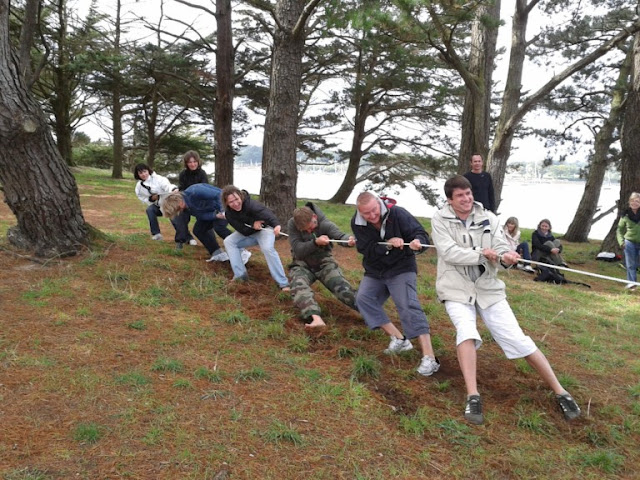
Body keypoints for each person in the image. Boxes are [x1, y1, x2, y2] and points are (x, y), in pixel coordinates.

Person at [431, 175, 580, 425]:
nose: (466, 199)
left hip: (488, 288)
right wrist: (482, 254)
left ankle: (561, 392)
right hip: (455, 288)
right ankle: (473, 395)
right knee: (466, 333)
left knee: (517, 338)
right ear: (449, 200)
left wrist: (506, 257)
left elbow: (500, 248)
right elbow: (448, 252)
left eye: (468, 193)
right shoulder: (439, 219)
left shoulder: (488, 217)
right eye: (460, 195)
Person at [351, 192, 440, 377]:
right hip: (375, 270)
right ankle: (400, 340)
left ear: (379, 203)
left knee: (408, 305)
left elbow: (421, 234)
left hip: (401, 267)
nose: (372, 215)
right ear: (360, 212)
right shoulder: (357, 222)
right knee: (363, 299)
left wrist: (418, 243)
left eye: (374, 210)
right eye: (366, 213)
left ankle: (430, 357)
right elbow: (365, 248)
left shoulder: (398, 213)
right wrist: (387, 244)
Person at [288, 203, 358, 328]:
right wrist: (315, 242)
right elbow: (298, 250)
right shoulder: (292, 224)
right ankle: (316, 318)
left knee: (343, 289)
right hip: (301, 264)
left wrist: (349, 240)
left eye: (311, 228)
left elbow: (340, 236)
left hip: (324, 263)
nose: (309, 231)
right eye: (305, 230)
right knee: (298, 285)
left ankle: (372, 313)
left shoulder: (325, 224)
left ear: (314, 217)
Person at [221, 186, 290, 290]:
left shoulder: (251, 205)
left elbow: (268, 215)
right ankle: (240, 276)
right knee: (229, 241)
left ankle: (283, 283)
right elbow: (242, 230)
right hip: (249, 232)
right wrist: (253, 224)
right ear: (226, 203)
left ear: (240, 196)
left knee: (267, 248)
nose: (235, 203)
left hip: (265, 230)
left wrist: (276, 225)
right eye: (231, 202)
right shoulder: (229, 214)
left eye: (236, 199)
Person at [161, 183, 249, 264]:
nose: (179, 211)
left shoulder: (195, 190)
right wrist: (215, 216)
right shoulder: (187, 207)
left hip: (225, 206)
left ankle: (242, 251)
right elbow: (201, 216)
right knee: (198, 230)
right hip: (215, 213)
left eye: (178, 209)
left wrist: (223, 212)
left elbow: (219, 195)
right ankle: (218, 253)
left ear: (178, 201)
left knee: (219, 227)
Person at [133, 163, 179, 241]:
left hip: (168, 203)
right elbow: (141, 197)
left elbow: (167, 186)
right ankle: (156, 234)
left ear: (148, 171)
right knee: (150, 210)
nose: (143, 174)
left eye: (145, 171)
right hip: (157, 205)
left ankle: (186, 237)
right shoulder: (139, 186)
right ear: (137, 174)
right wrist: (151, 199)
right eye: (140, 173)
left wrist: (173, 189)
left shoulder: (158, 178)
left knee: (175, 219)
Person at [174, 150, 210, 249]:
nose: (192, 164)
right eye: (190, 162)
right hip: (187, 201)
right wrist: (179, 192)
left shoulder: (202, 173)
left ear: (198, 162)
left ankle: (210, 242)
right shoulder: (183, 174)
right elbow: (182, 188)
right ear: (186, 163)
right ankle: (180, 241)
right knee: (180, 216)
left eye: (194, 162)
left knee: (205, 220)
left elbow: (205, 190)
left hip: (200, 203)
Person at [616, 192, 640, 290]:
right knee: (630, 264)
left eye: (637, 201)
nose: (634, 203)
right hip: (629, 243)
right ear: (629, 202)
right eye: (632, 201)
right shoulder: (625, 215)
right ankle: (632, 284)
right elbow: (619, 230)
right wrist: (621, 242)